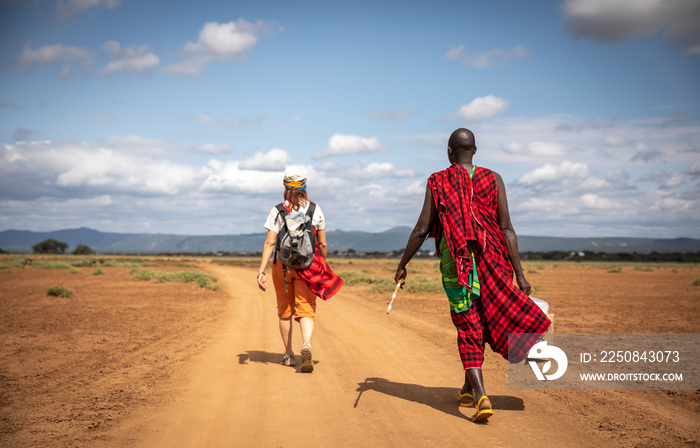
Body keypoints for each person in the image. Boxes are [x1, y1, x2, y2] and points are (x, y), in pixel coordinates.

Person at [394, 128, 551, 422]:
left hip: (458, 266)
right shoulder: (493, 179)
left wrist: (403, 264)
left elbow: (421, 230)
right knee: (486, 319)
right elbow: (506, 229)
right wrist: (520, 274)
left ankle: (480, 395)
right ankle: (468, 389)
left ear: (449, 152)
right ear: (475, 151)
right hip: (495, 262)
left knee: (469, 324)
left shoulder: (438, 180)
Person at [257, 166, 343, 373]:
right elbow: (322, 243)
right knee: (306, 308)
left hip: (282, 267)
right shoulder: (315, 209)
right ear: (305, 186)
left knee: (284, 310)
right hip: (308, 266)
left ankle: (288, 354)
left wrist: (261, 271)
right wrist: (322, 263)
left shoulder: (278, 210)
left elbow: (270, 243)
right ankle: (307, 344)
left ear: (285, 187)